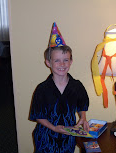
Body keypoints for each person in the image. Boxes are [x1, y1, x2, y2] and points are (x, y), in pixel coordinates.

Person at [29, 22, 89, 153]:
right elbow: (38, 115)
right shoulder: (42, 89)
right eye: (57, 60)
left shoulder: (77, 86)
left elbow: (81, 106)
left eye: (66, 60)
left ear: (71, 61)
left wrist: (83, 117)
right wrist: (54, 128)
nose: (62, 64)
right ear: (48, 63)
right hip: (46, 136)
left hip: (68, 136)